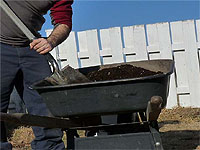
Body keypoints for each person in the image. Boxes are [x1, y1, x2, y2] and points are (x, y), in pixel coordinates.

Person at [0, 0, 73, 149]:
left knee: (45, 106)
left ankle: (49, 146)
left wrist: (50, 42)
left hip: (31, 47)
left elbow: (63, 22)